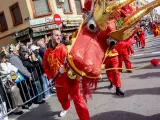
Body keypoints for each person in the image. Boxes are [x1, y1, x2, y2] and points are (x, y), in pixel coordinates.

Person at [43, 29, 90, 119]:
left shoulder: (64, 48)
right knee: (62, 99)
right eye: (56, 35)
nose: (59, 37)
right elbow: (46, 66)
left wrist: (66, 67)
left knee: (78, 101)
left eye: (60, 35)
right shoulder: (47, 52)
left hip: (70, 80)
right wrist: (50, 77)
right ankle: (65, 108)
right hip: (58, 82)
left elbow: (73, 62)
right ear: (51, 37)